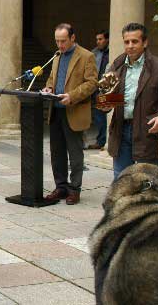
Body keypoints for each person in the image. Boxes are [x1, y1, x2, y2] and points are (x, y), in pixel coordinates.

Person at [106, 22, 158, 180]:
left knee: (147, 182)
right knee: (121, 181)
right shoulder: (117, 65)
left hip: (148, 132)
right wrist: (105, 103)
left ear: (145, 42)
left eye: (135, 41)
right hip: (121, 131)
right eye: (126, 42)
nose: (130, 46)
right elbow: (110, 96)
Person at [41, 23, 98, 205]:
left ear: (73, 38)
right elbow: (52, 78)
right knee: (56, 152)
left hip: (74, 111)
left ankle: (74, 189)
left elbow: (92, 83)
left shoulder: (86, 56)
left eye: (63, 41)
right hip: (56, 111)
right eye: (57, 41)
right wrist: (48, 88)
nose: (60, 45)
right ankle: (61, 186)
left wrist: (72, 96)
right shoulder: (57, 56)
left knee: (75, 153)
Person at [86, 29, 109, 150]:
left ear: (107, 40)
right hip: (95, 88)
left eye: (100, 39)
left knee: (107, 115)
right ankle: (100, 141)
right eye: (97, 39)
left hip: (108, 89)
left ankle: (106, 142)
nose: (98, 42)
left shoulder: (112, 52)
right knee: (98, 116)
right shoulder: (94, 53)